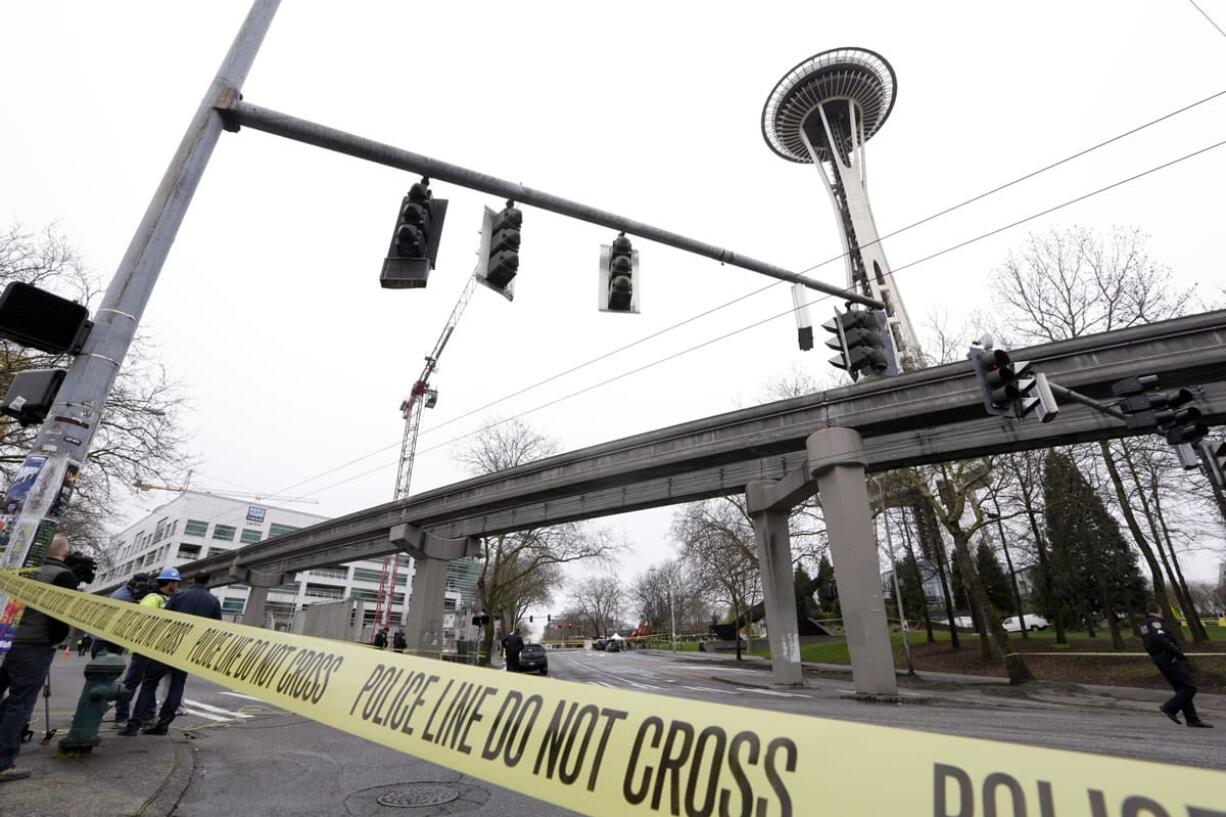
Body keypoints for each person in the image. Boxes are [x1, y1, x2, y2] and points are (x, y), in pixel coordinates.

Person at [0, 535, 80, 783]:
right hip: (33, 644)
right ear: (64, 554)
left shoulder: (21, 569)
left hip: (5, 638)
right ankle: (3, 762)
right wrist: (57, 639)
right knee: (19, 703)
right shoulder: (62, 576)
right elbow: (59, 617)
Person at [124, 571, 220, 736]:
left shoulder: (179, 596)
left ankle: (134, 724)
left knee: (149, 683)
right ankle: (163, 723)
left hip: (168, 646)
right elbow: (215, 629)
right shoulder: (213, 601)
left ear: (193, 579)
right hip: (187, 650)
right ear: (208, 581)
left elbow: (165, 618)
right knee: (176, 686)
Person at [119, 567, 181, 737]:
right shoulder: (152, 599)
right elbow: (142, 622)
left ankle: (147, 717)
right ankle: (122, 716)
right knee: (133, 683)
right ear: (170, 583)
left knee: (149, 684)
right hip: (143, 649)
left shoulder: (166, 599)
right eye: (175, 583)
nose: (177, 586)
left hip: (156, 650)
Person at [1141, 600, 1213, 728]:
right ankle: (1170, 708)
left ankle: (1192, 719)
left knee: (1182, 688)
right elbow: (1160, 639)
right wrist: (1177, 652)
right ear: (1159, 610)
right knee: (1190, 687)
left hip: (1160, 657)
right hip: (1167, 657)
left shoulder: (1145, 624)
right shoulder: (1154, 622)